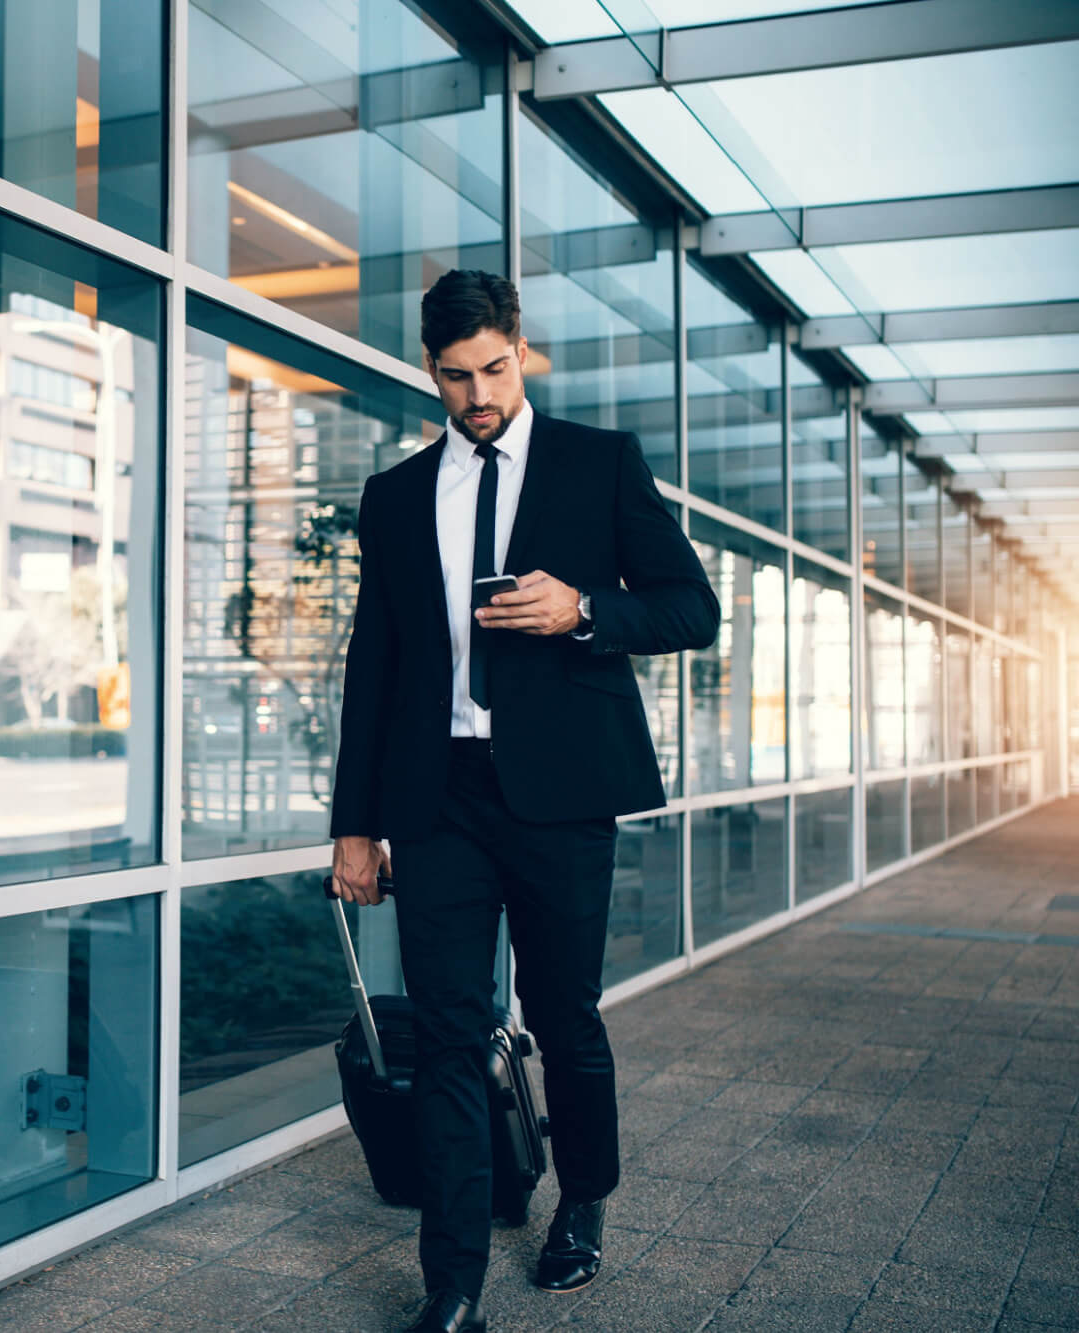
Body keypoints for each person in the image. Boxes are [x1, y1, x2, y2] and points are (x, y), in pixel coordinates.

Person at [328, 271, 719, 1333]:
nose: (475, 395)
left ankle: (581, 1197)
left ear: (521, 350)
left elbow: (693, 606)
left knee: (561, 1015)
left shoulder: (598, 466)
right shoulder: (397, 496)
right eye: (453, 377)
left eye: (492, 369)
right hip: (437, 795)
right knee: (449, 1033)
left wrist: (584, 608)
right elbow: (376, 664)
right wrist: (352, 824)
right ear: (429, 371)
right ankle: (450, 1282)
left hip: (558, 795)